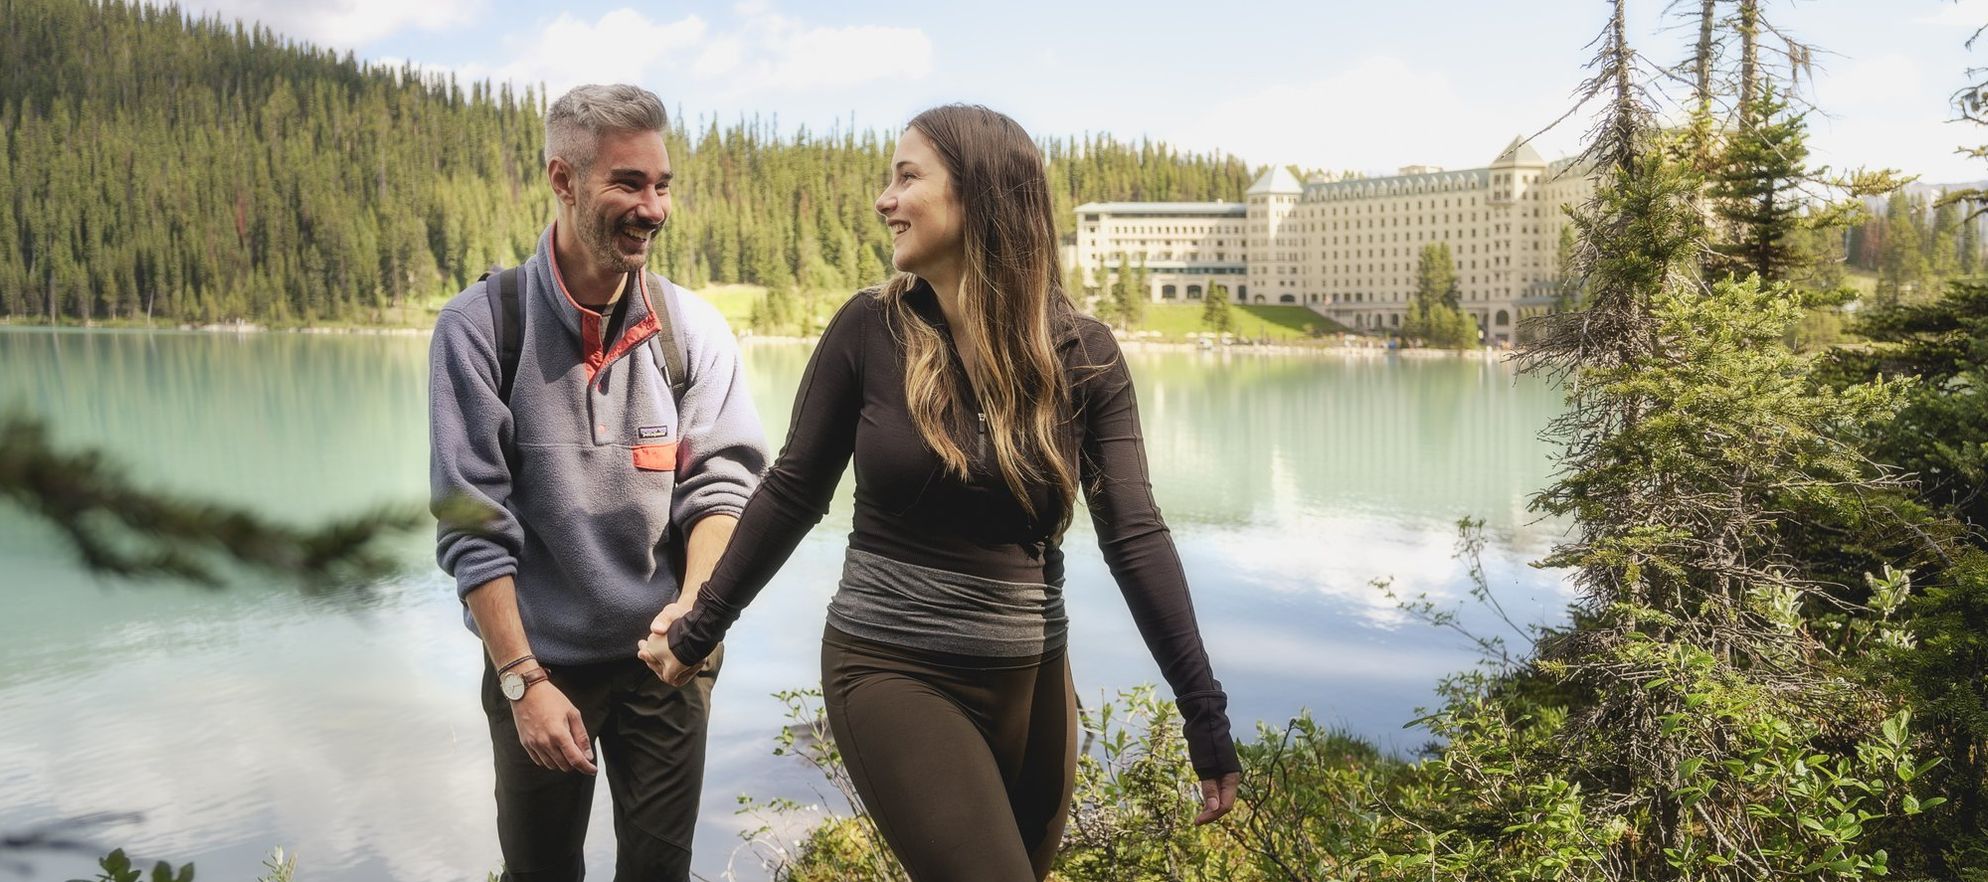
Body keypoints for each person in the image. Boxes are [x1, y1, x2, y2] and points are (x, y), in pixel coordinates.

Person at [639, 104, 1242, 882]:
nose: (884, 200)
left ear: (979, 195)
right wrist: (699, 626)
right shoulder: (868, 330)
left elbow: (1136, 536)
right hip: (893, 669)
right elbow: (792, 492)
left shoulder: (1083, 354)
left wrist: (1204, 712)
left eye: (906, 177)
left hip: (1035, 681)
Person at [429, 83, 768, 882]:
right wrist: (522, 680)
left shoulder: (692, 332)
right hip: (540, 659)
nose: (652, 208)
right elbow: (473, 525)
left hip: (666, 656)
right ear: (563, 180)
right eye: (627, 183)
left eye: (662, 185)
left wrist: (695, 613)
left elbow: (720, 488)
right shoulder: (481, 329)